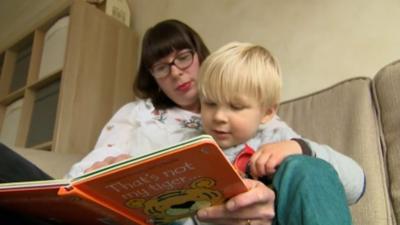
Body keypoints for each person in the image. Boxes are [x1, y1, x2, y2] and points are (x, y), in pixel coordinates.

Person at [67, 20, 363, 225]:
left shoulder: (272, 131)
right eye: (161, 66)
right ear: (151, 75)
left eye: (182, 57)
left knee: (305, 168)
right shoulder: (173, 137)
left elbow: (350, 183)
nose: (176, 73)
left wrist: (300, 147)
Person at [196, 41, 365, 225]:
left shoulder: (277, 137)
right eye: (210, 103)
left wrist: (300, 147)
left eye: (236, 107)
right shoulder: (194, 147)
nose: (219, 116)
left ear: (267, 112)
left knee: (305, 168)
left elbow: (358, 185)